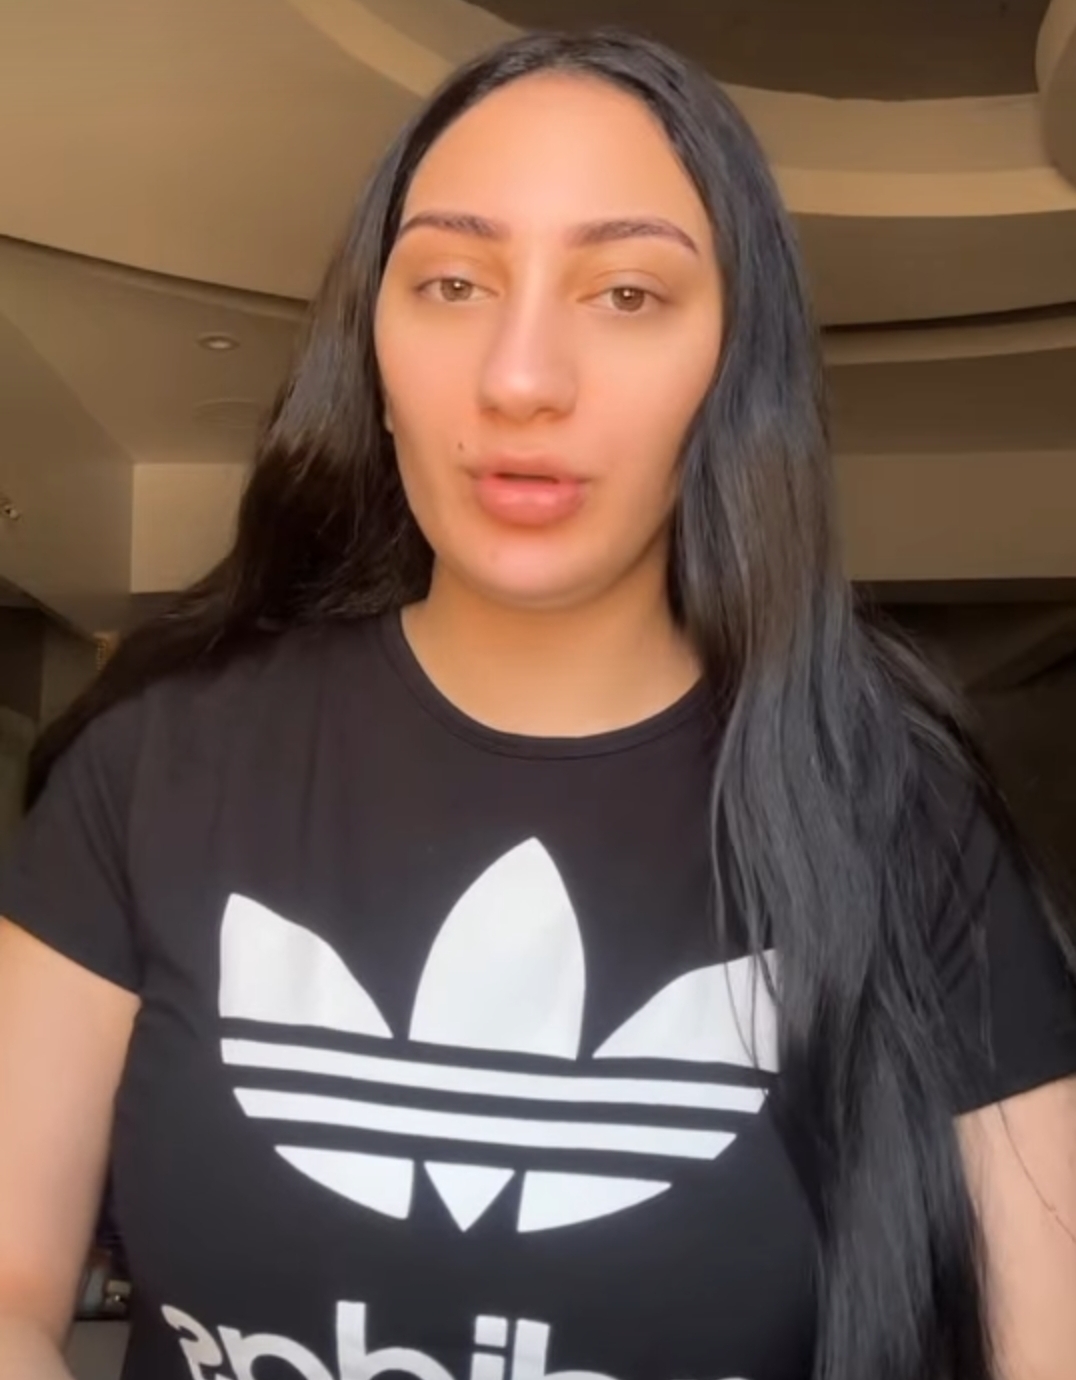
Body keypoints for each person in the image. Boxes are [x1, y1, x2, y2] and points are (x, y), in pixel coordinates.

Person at [0, 27, 1074, 1380]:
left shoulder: (904, 825)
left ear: (733, 370)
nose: (520, 379)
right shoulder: (152, 767)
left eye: (626, 294)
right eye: (452, 283)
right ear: (374, 347)